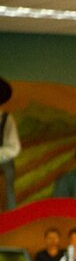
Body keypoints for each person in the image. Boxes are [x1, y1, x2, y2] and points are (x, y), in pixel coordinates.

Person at [0, 77, 20, 212]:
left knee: (7, 186)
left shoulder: (6, 119)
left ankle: (11, 215)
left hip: (2, 160)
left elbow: (14, 146)